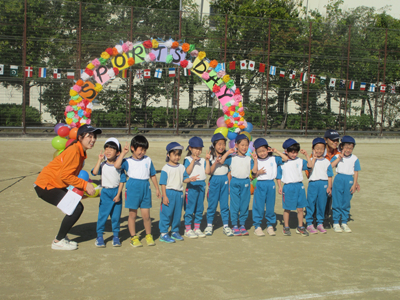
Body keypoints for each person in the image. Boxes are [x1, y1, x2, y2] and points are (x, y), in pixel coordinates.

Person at [34, 124, 100, 250]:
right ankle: (58, 240)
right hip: (46, 185)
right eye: (89, 136)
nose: (93, 139)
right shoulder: (74, 151)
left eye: (94, 136)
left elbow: (67, 177)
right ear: (80, 137)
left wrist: (82, 191)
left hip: (55, 184)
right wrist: (85, 184)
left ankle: (61, 238)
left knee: (75, 204)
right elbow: (65, 176)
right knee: (76, 208)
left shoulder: (79, 151)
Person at [115, 135, 161, 247]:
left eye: (144, 150)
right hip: (132, 188)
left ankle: (148, 235)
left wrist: (157, 188)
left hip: (145, 188)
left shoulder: (148, 159)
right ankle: (133, 237)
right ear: (132, 148)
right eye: (140, 149)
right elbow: (117, 165)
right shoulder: (127, 161)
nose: (142, 152)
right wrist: (123, 153)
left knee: (146, 215)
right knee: (132, 215)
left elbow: (152, 174)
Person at [159, 142, 198, 243]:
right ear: (168, 154)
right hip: (169, 193)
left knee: (177, 214)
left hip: (179, 194)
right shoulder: (165, 168)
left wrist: (190, 179)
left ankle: (175, 231)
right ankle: (163, 233)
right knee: (166, 214)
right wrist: (164, 196)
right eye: (175, 154)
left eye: (179, 155)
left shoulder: (181, 167)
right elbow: (163, 183)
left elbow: (184, 179)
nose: (177, 157)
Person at [220, 134, 258, 236]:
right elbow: (221, 161)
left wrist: (255, 160)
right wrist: (228, 152)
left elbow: (254, 172)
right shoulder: (232, 158)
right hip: (234, 182)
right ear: (236, 145)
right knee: (235, 205)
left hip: (246, 182)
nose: (244, 147)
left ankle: (242, 225)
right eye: (242, 145)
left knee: (244, 205)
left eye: (246, 145)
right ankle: (234, 225)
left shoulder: (249, 159)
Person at [91, 138, 126, 247]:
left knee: (116, 217)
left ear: (118, 153)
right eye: (106, 148)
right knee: (103, 216)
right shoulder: (103, 165)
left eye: (112, 149)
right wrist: (99, 160)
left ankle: (116, 236)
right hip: (105, 193)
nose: (108, 151)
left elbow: (122, 181)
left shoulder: (119, 167)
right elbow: (94, 173)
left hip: (116, 193)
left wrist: (118, 195)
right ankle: (99, 237)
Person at [252, 138, 287, 237]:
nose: (262, 153)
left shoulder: (274, 158)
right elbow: (253, 174)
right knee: (258, 206)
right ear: (256, 152)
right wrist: (255, 162)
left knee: (270, 206)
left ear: (268, 149)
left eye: (264, 150)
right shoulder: (256, 159)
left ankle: (270, 225)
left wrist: (276, 151)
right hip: (260, 184)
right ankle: (257, 226)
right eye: (259, 151)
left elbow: (285, 158)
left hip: (271, 184)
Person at [276, 138, 311, 237]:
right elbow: (278, 176)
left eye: (296, 152)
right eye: (292, 152)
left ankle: (300, 226)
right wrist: (280, 186)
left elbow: (310, 165)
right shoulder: (282, 162)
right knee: (287, 208)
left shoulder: (300, 161)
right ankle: (286, 227)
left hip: (299, 186)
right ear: (286, 151)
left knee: (300, 209)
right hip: (288, 187)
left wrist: (307, 155)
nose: (294, 154)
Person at [204, 133, 233, 237]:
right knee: (212, 204)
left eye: (223, 144)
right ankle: (209, 225)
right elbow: (209, 172)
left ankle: (226, 226)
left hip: (224, 181)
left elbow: (229, 171)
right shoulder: (210, 156)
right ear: (214, 145)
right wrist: (213, 162)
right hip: (214, 181)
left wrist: (229, 184)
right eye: (219, 144)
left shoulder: (228, 157)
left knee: (225, 205)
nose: (221, 147)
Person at [330, 136, 361, 233]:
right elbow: (330, 166)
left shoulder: (355, 159)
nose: (348, 150)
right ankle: (336, 222)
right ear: (341, 147)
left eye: (350, 148)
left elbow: (356, 172)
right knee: (337, 201)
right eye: (346, 148)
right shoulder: (337, 156)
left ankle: (344, 222)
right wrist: (339, 158)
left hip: (349, 180)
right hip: (339, 179)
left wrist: (354, 184)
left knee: (346, 202)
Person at [305, 138, 333, 234]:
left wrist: (329, 186)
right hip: (313, 184)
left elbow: (330, 176)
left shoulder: (327, 162)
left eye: (321, 148)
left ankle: (320, 223)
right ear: (313, 149)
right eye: (317, 148)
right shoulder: (311, 160)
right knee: (310, 203)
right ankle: (309, 223)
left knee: (322, 203)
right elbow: (310, 170)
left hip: (324, 184)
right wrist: (314, 158)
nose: (319, 151)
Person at [183, 136, 208, 239]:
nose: (198, 151)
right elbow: (187, 172)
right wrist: (193, 160)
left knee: (199, 208)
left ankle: (197, 228)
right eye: (196, 148)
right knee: (189, 208)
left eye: (200, 149)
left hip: (201, 185)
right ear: (190, 148)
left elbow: (207, 171)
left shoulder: (203, 160)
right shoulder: (187, 159)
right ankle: (188, 229)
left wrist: (207, 160)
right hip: (191, 186)